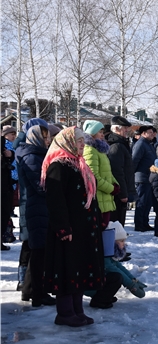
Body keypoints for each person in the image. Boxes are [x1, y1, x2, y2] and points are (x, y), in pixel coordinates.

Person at [41, 127, 105, 326]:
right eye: (78, 141)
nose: (82, 144)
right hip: (68, 229)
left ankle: (78, 309)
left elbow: (88, 196)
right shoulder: (58, 166)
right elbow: (55, 200)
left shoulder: (79, 164)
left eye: (82, 141)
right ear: (67, 142)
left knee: (79, 268)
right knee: (67, 268)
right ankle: (65, 313)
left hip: (83, 228)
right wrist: (63, 227)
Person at [15, 125, 56, 306]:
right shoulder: (32, 156)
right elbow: (41, 186)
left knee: (38, 251)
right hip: (38, 207)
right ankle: (38, 294)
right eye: (45, 137)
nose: (48, 141)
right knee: (39, 252)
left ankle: (30, 290)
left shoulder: (37, 155)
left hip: (40, 207)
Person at [85, 221, 144, 309]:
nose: (124, 243)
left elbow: (119, 266)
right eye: (121, 241)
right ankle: (99, 299)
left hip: (94, 283)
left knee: (117, 277)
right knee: (116, 278)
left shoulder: (108, 253)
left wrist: (133, 279)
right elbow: (112, 268)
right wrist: (130, 285)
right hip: (89, 285)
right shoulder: (103, 255)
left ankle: (104, 296)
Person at [82, 120, 120, 227]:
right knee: (100, 229)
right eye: (100, 132)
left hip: (104, 196)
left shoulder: (99, 149)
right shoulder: (89, 150)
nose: (103, 134)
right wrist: (111, 188)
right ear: (92, 133)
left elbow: (107, 172)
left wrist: (115, 183)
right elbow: (93, 177)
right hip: (98, 197)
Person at [106, 116, 136, 226]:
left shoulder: (122, 144)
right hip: (118, 194)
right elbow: (117, 171)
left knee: (120, 222)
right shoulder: (117, 146)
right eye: (125, 128)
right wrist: (122, 193)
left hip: (122, 191)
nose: (127, 130)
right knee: (117, 222)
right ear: (117, 129)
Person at [132, 125, 157, 232]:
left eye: (152, 132)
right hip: (141, 178)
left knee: (147, 202)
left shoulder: (149, 144)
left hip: (149, 178)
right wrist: (132, 175)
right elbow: (134, 161)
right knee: (141, 202)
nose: (152, 134)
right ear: (143, 133)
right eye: (149, 132)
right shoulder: (141, 144)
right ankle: (139, 224)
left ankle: (145, 223)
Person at [1, 135, 15, 251]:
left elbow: (9, 161)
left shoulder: (3, 143)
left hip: (5, 185)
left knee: (4, 214)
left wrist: (10, 155)